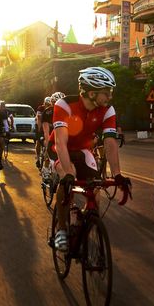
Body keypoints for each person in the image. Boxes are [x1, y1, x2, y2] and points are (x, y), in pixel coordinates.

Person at [48, 68, 130, 252]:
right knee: (67, 177)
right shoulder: (64, 105)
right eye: (107, 91)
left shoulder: (107, 110)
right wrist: (68, 173)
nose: (110, 95)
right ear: (92, 93)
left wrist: (117, 174)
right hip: (59, 148)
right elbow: (61, 142)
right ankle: (61, 230)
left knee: (96, 191)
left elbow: (110, 143)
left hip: (83, 150)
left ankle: (83, 221)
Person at [34, 96, 52, 168]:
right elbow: (39, 119)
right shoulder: (40, 108)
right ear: (44, 104)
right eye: (46, 104)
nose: (47, 106)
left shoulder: (52, 110)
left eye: (49, 104)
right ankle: (38, 158)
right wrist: (39, 130)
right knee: (38, 142)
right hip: (39, 125)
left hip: (48, 125)